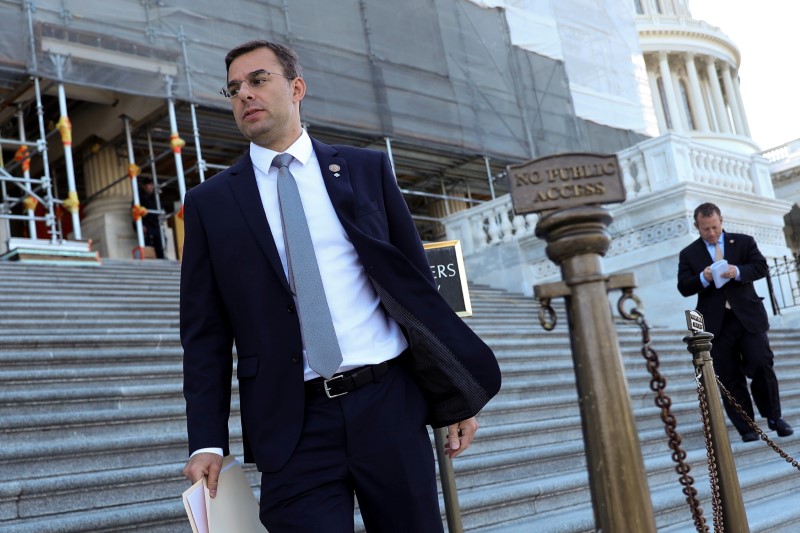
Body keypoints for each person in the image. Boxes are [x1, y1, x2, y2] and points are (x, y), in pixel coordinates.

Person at [180, 40, 501, 531]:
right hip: (291, 423)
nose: (244, 94)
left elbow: (416, 289)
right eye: (234, 88)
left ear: (296, 87)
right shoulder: (210, 203)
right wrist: (207, 440)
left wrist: (453, 388)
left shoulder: (366, 170)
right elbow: (204, 332)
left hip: (388, 404)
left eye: (258, 80)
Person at [677, 202, 793, 442]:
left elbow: (760, 267)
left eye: (715, 227)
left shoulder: (743, 242)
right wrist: (703, 277)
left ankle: (774, 417)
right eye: (705, 229)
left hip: (748, 317)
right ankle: (746, 427)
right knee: (729, 376)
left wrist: (737, 271)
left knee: (761, 363)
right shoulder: (689, 254)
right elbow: (684, 287)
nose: (711, 233)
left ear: (722, 220)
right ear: (696, 226)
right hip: (716, 325)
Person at [136, 177, 164, 258]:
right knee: (148, 243)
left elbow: (161, 208)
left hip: (156, 224)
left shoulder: (155, 197)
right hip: (147, 225)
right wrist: (140, 224)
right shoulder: (139, 197)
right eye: (150, 185)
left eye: (152, 185)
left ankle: (161, 257)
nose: (152, 187)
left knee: (161, 241)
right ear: (144, 186)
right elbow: (135, 211)